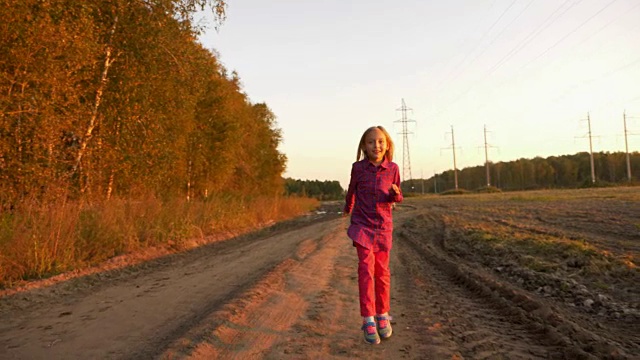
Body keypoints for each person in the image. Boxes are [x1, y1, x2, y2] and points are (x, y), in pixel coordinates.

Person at [343, 125, 403, 345]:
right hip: (362, 226)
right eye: (371, 142)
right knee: (366, 270)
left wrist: (395, 195)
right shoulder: (358, 168)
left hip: (383, 227)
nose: (376, 145)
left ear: (387, 145)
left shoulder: (393, 168)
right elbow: (352, 189)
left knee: (382, 273)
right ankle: (368, 318)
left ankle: (382, 314)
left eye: (380, 141)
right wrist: (347, 206)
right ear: (364, 146)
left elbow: (397, 198)